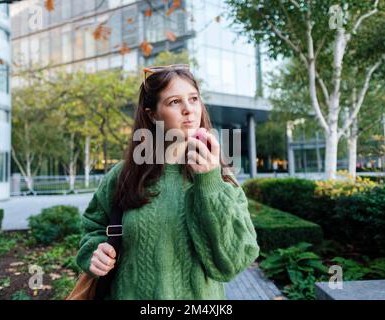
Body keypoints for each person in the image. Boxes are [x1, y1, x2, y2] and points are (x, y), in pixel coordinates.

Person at [75, 64, 260, 300]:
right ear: (152, 114)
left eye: (193, 99)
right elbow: (93, 229)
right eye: (174, 102)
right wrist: (95, 252)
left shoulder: (222, 177)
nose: (189, 110)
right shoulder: (123, 176)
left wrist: (209, 183)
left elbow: (234, 262)